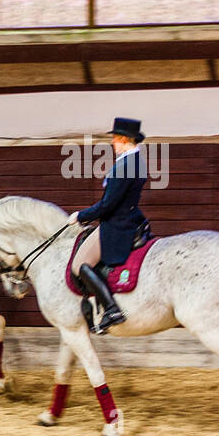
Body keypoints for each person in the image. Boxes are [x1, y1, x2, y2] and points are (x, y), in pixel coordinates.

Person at [68, 117, 149, 335]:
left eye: (115, 139)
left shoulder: (126, 165)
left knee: (80, 265)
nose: (113, 142)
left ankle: (112, 309)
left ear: (124, 139)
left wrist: (81, 216)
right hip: (128, 217)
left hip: (117, 224)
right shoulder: (134, 161)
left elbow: (108, 205)